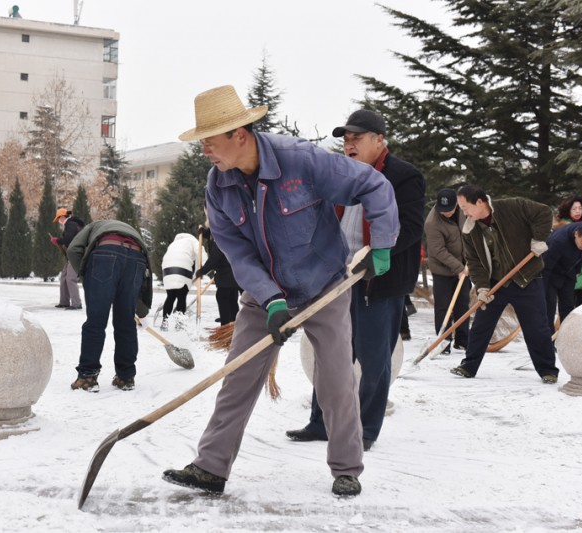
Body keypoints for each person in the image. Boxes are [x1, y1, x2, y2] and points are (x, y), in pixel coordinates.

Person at [162, 86, 399, 498]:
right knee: (238, 377)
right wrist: (270, 299)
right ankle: (211, 467)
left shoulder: (299, 160)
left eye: (210, 143)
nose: (205, 153)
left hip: (324, 283)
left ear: (240, 135)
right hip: (266, 293)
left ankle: (347, 468)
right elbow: (237, 252)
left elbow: (374, 187)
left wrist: (382, 243)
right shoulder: (218, 187)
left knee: (337, 378)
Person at [285, 109, 425, 452]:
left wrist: (375, 253)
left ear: (379, 140)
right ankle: (320, 422)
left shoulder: (404, 176)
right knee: (329, 354)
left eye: (357, 138)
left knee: (374, 359)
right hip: (335, 279)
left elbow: (410, 228)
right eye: (346, 139)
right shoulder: (338, 176)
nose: (349, 145)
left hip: (378, 280)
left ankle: (365, 429)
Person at [450, 184, 559, 383]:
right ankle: (468, 366)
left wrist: (538, 239)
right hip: (495, 285)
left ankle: (547, 370)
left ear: (480, 202)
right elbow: (474, 262)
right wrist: (482, 287)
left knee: (537, 327)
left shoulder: (512, 207)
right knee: (481, 326)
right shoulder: (470, 230)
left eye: (465, 207)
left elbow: (543, 212)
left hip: (526, 278)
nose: (463, 212)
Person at [67, 219, 153, 393]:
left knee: (96, 320)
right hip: (137, 258)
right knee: (126, 322)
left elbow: (73, 249)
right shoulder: (131, 231)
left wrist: (86, 274)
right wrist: (141, 308)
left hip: (105, 255)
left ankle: (87, 377)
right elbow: (141, 283)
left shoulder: (93, 225)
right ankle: (126, 377)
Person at [424, 188, 471, 353]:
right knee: (444, 307)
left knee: (462, 304)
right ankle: (443, 342)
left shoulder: (464, 211)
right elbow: (438, 251)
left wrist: (469, 261)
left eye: (450, 210)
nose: (447, 213)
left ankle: (463, 340)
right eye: (443, 211)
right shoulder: (432, 222)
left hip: (464, 266)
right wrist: (458, 268)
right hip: (442, 270)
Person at [542, 222, 582, 331]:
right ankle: (548, 341)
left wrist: (577, 271)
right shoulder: (558, 241)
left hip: (569, 273)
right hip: (551, 274)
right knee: (549, 307)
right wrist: (542, 289)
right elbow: (546, 267)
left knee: (568, 306)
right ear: (576, 234)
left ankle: (566, 336)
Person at [197, 225, 242, 325]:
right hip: (235, 274)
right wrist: (205, 233)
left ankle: (225, 325)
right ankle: (233, 325)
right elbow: (213, 231)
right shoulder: (228, 235)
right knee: (232, 299)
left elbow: (214, 259)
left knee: (222, 298)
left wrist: (202, 271)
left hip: (226, 275)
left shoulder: (220, 240)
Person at [160, 232, 204, 329]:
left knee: (170, 296)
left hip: (167, 270)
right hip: (183, 268)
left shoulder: (173, 244)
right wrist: (204, 270)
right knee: (181, 296)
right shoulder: (192, 241)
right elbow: (201, 253)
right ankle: (179, 323)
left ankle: (164, 321)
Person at [50, 208, 85, 310]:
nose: (58, 221)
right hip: (72, 255)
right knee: (64, 278)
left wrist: (58, 240)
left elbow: (68, 239)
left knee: (70, 278)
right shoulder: (71, 224)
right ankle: (64, 302)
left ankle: (76, 303)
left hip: (76, 255)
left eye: (58, 219)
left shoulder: (71, 224)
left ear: (62, 217)